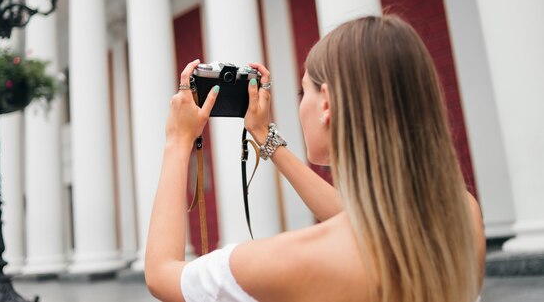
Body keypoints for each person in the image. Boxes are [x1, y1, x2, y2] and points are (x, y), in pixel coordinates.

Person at [145, 15, 486, 302]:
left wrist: (178, 140)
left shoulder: (295, 257)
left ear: (326, 104)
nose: (299, 101)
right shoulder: (461, 212)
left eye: (302, 90)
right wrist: (264, 138)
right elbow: (359, 217)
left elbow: (162, 274)